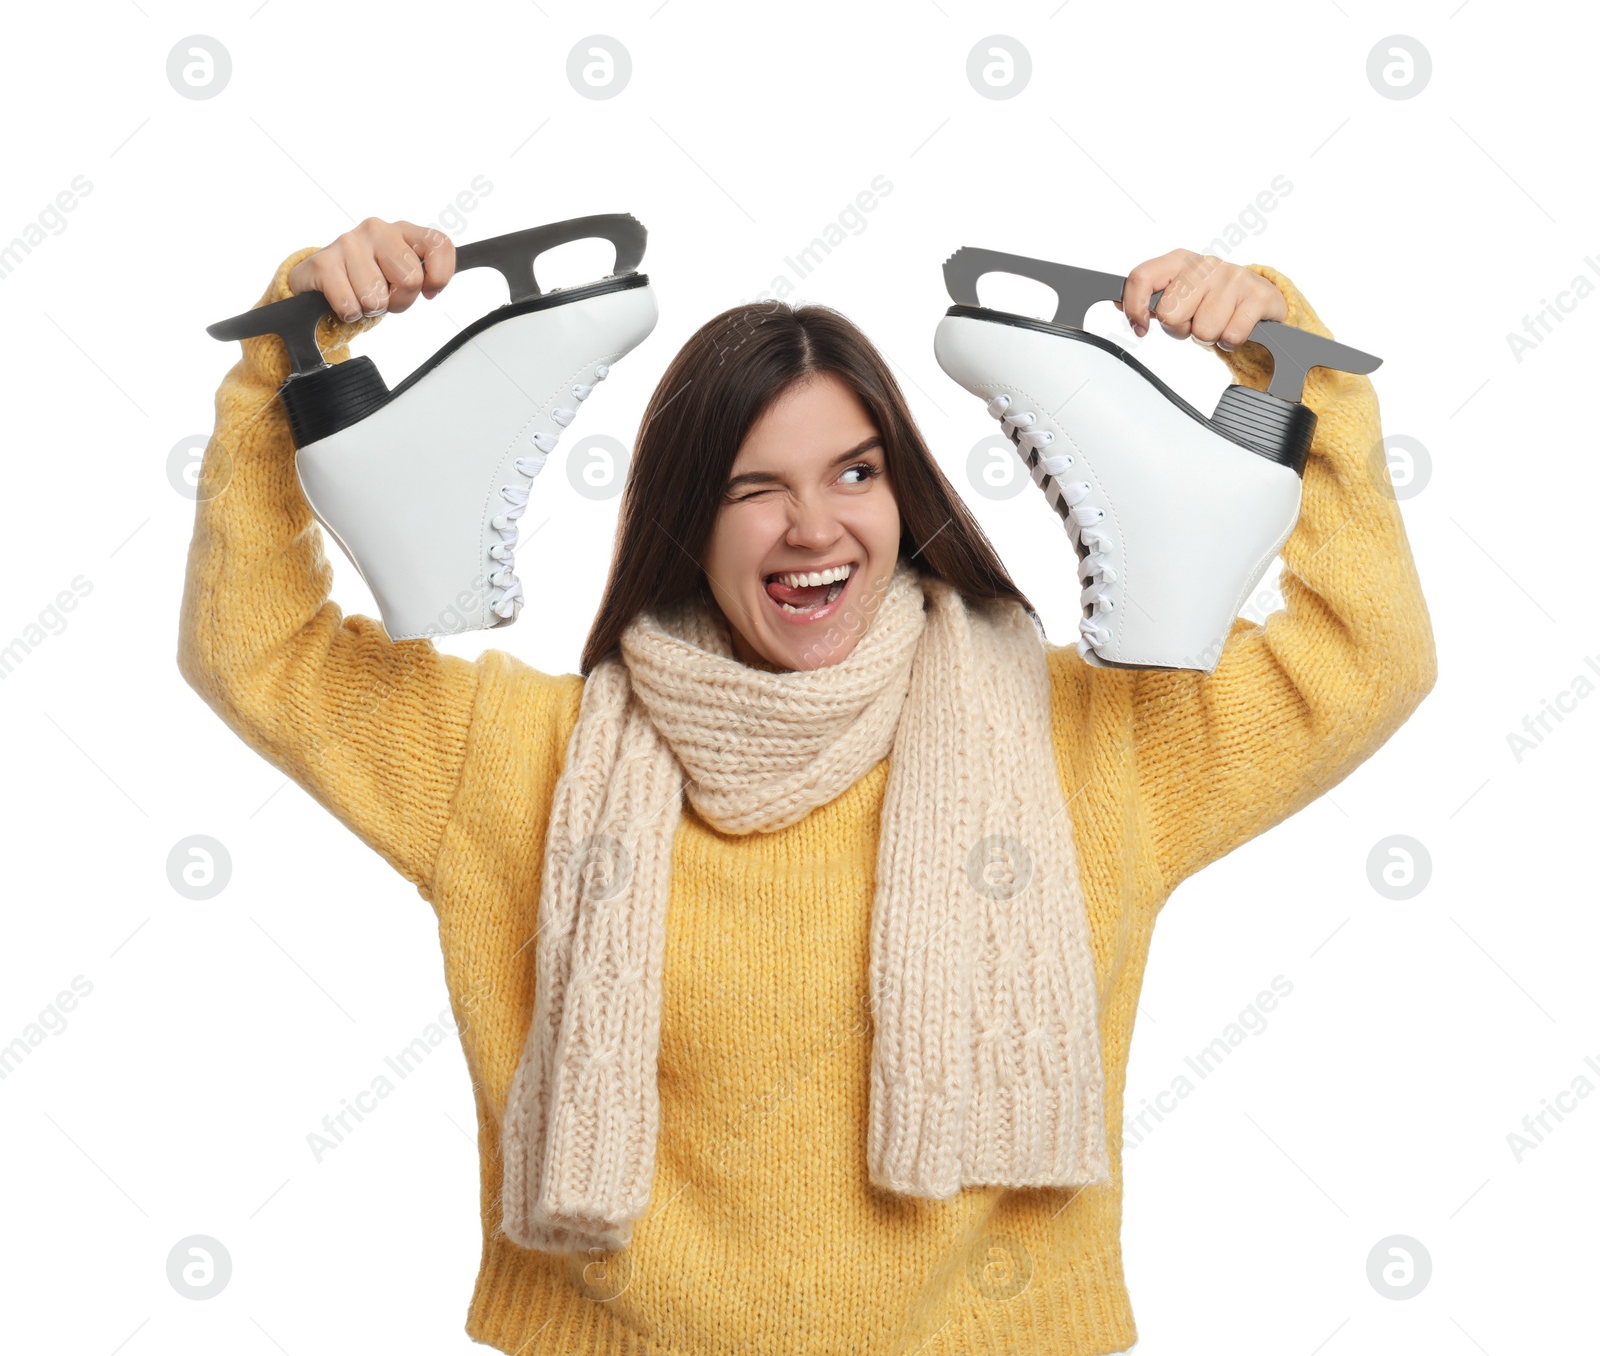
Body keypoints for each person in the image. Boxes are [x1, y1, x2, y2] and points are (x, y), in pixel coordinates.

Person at [178, 217, 1437, 1355]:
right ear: (684, 515)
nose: (813, 528)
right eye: (751, 487)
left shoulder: (1081, 746)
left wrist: (1290, 364)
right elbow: (254, 647)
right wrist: (290, 351)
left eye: (854, 471)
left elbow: (1366, 657)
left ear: (906, 494)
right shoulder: (521, 762)